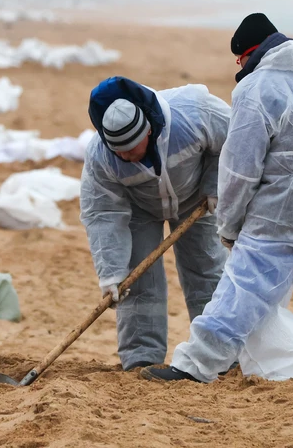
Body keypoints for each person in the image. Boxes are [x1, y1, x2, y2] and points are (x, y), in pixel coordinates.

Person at [141, 13, 293, 391]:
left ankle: (196, 366)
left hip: (280, 216)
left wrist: (231, 226)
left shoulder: (256, 88)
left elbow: (240, 168)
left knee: (241, 289)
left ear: (246, 55)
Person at [81, 75, 231, 370]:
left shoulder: (194, 113)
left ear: (147, 132)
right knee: (136, 282)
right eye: (118, 151)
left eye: (131, 148)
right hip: (139, 207)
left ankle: (219, 355)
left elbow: (235, 141)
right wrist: (110, 273)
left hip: (195, 199)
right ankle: (141, 358)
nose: (124, 155)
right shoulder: (100, 156)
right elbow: (102, 213)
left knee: (207, 271)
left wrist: (215, 186)